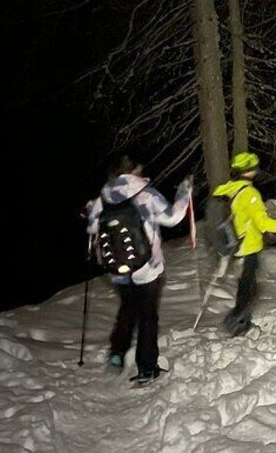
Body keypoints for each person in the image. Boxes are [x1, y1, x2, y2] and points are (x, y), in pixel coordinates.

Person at [86, 155, 192, 384]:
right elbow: (173, 218)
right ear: (134, 170)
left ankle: (116, 354)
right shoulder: (146, 194)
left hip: (117, 269)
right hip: (147, 266)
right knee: (147, 315)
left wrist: (90, 210)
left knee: (127, 308)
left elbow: (92, 227)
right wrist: (185, 192)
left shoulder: (102, 199)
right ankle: (146, 368)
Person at [212, 151, 276, 337]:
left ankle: (239, 322)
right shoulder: (249, 194)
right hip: (247, 248)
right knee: (248, 289)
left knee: (246, 287)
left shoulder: (226, 190)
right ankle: (238, 324)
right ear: (249, 171)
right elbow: (264, 224)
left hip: (233, 247)